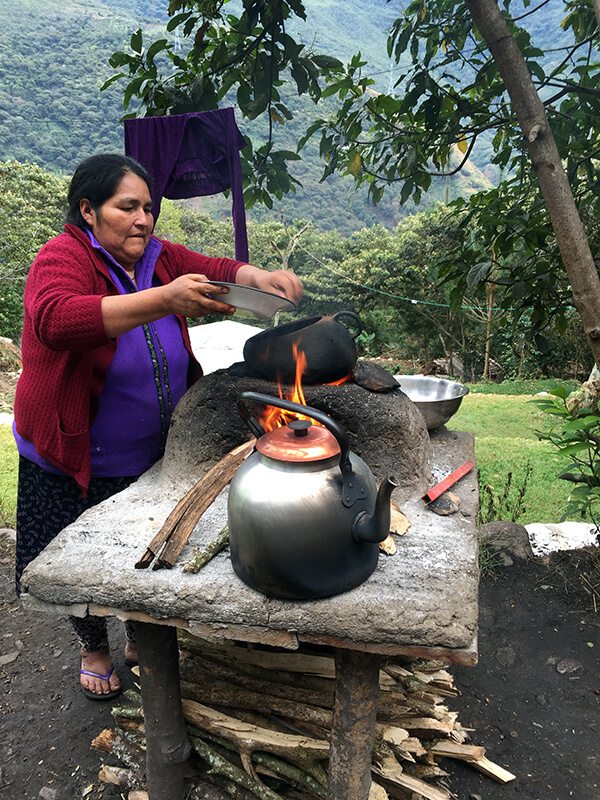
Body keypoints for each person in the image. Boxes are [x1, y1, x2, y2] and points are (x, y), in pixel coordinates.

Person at [13, 153, 302, 700]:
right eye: (128, 207)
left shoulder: (158, 256)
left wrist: (259, 277)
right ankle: (93, 645)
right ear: (88, 211)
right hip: (73, 450)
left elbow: (216, 267)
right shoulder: (62, 256)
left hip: (148, 452)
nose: (144, 219)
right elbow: (57, 319)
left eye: (149, 208)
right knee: (76, 558)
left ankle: (136, 634)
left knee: (138, 551)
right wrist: (164, 300)